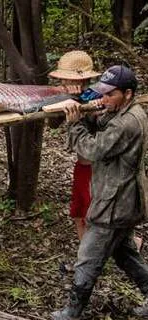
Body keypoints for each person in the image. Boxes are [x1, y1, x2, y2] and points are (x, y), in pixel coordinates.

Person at [52, 65, 148, 320]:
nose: (103, 100)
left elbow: (93, 149)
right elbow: (102, 121)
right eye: (102, 94)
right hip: (123, 199)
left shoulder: (127, 123)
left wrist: (74, 124)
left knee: (87, 257)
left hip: (114, 204)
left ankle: (72, 312)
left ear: (127, 93)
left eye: (109, 95)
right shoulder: (126, 110)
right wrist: (85, 110)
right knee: (124, 254)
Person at [48, 51, 102, 241]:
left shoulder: (99, 96)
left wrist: (86, 108)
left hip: (97, 167)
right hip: (82, 165)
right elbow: (53, 124)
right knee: (79, 213)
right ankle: (83, 254)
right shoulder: (66, 96)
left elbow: (99, 131)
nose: (64, 83)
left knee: (95, 215)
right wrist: (64, 103)